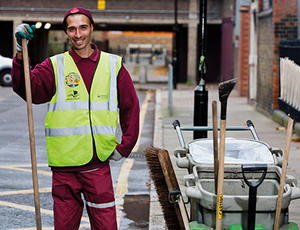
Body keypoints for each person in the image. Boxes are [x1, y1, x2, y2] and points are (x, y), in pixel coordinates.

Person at [12, 7, 139, 230]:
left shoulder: (113, 65)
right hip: (64, 168)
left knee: (106, 227)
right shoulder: (55, 65)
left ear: (91, 28)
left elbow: (130, 107)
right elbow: (28, 88)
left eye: (82, 28)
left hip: (97, 165)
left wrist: (125, 145)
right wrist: (21, 51)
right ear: (66, 33)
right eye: (72, 29)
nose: (78, 34)